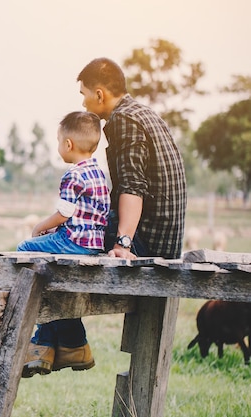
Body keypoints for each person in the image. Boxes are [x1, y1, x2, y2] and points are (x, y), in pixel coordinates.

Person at [17, 110, 110, 378]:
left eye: (58, 142)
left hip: (72, 240)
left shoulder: (72, 175)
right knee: (50, 273)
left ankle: (22, 309)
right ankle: (64, 345)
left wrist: (40, 227)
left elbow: (64, 214)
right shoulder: (98, 173)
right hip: (93, 243)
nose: (58, 147)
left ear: (68, 144)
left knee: (23, 249)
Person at [76, 57, 186, 261]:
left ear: (99, 95)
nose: (83, 103)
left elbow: (132, 185)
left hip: (145, 242)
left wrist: (123, 244)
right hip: (165, 242)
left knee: (73, 227)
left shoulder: (123, 119)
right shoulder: (143, 113)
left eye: (84, 94)